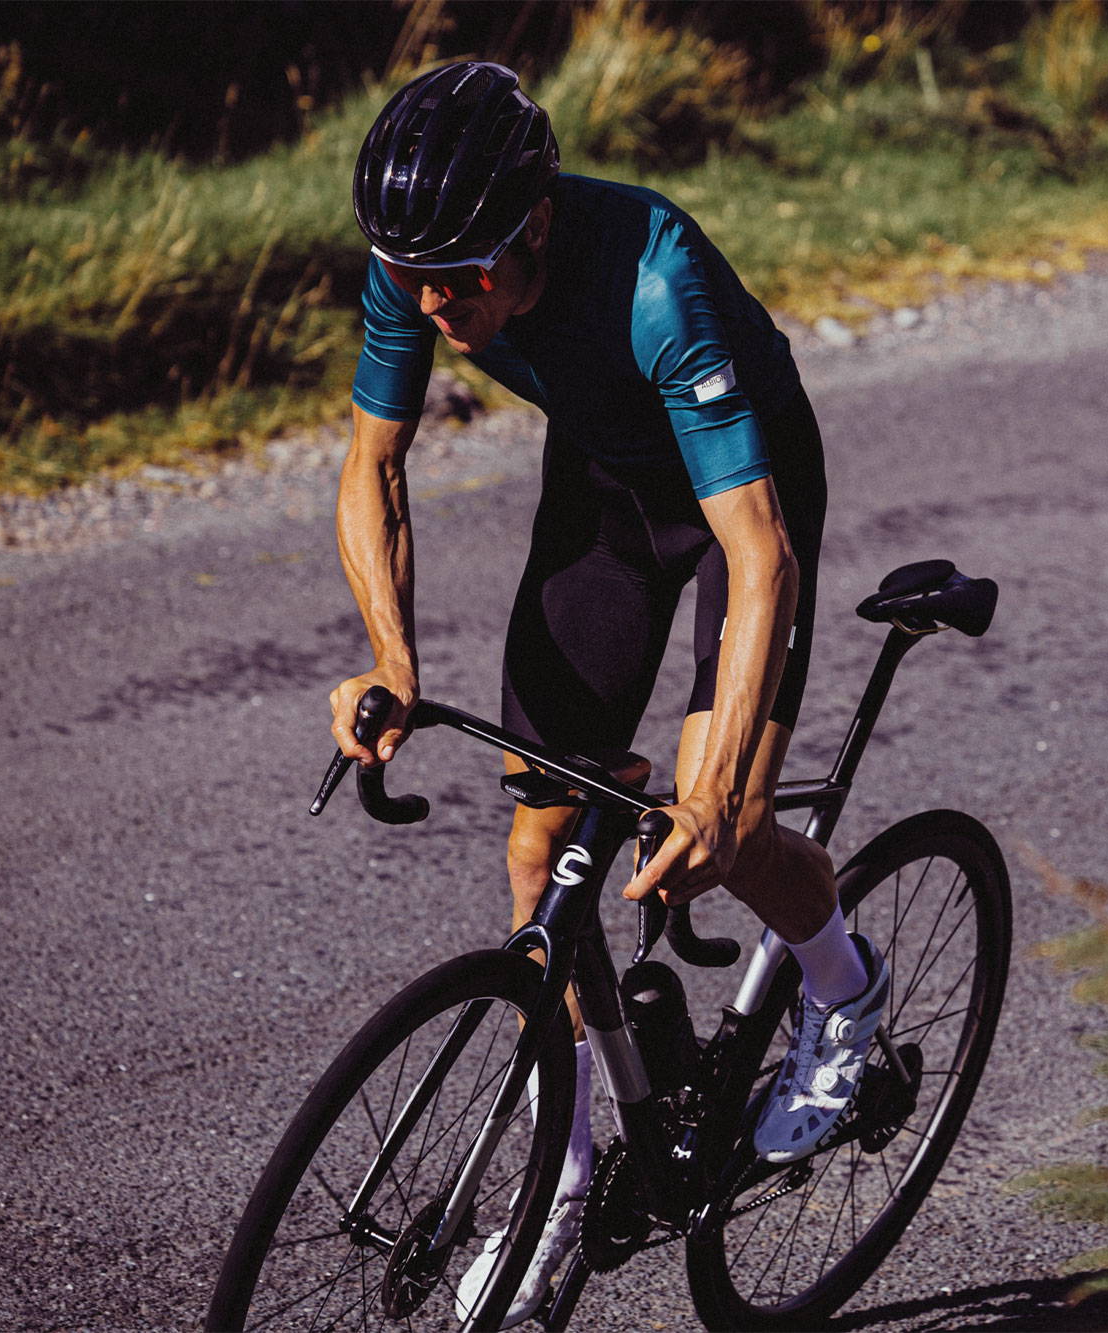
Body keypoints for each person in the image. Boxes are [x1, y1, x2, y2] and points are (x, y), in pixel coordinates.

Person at [325, 61, 889, 1327]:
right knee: (540, 854)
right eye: (406, 273)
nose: (428, 301)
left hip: (739, 498)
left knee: (722, 824)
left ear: (529, 224)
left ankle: (846, 988)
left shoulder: (655, 276)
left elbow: (759, 557)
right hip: (602, 491)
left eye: (456, 278)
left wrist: (714, 785)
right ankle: (557, 1188)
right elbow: (374, 461)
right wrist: (393, 659)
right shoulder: (424, 257)